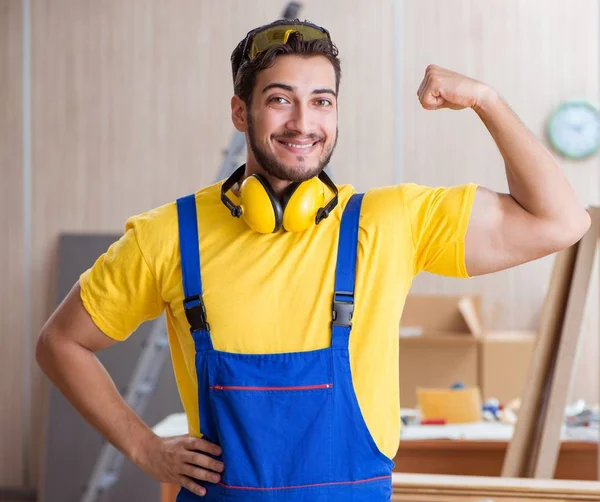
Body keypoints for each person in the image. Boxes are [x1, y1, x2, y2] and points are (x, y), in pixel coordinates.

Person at [36, 18, 590, 502]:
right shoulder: (171, 236)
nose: (304, 122)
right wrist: (145, 448)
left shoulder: (391, 222)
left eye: (321, 100)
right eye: (280, 99)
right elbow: (60, 343)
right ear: (240, 110)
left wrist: (485, 100)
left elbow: (561, 222)